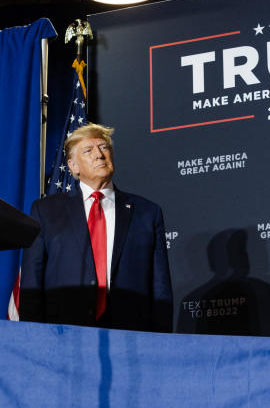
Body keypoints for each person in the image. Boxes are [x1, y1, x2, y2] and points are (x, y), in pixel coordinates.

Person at [20, 123, 173, 332]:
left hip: (131, 334)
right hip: (63, 333)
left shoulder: (147, 212)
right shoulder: (46, 211)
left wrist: (160, 342)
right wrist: (32, 337)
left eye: (104, 147)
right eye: (89, 150)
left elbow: (160, 287)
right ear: (73, 166)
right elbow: (31, 281)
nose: (99, 155)